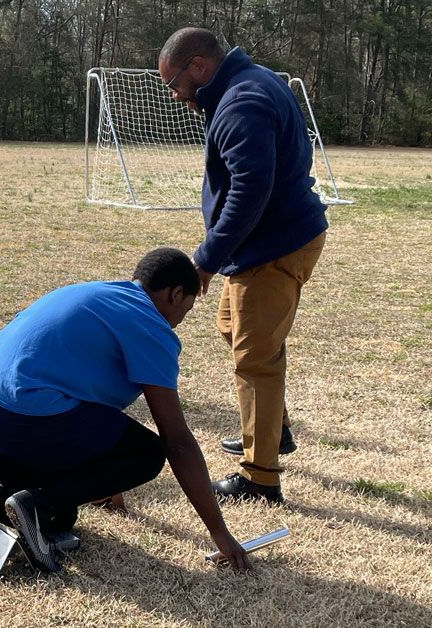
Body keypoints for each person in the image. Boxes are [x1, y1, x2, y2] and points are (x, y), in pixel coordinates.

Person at [0, 247, 254, 575]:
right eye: (187, 310)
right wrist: (219, 532)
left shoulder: (96, 292)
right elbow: (177, 442)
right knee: (148, 453)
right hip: (19, 414)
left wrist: (106, 478)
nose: (180, 320)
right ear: (175, 294)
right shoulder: (150, 323)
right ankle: (35, 504)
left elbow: (83, 392)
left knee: (58, 515)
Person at [158, 28, 328, 503]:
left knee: (255, 358)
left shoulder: (241, 102)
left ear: (198, 66)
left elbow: (249, 192)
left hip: (274, 247)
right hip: (263, 244)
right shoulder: (250, 83)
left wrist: (206, 260)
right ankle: (277, 430)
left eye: (175, 84)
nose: (175, 96)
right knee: (234, 328)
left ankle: (260, 477)